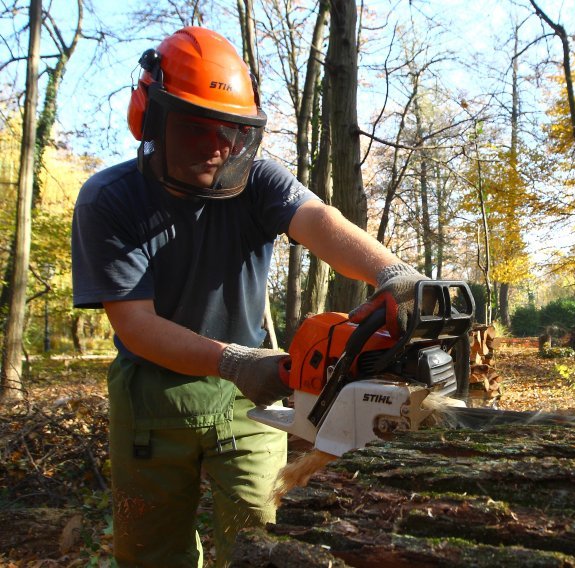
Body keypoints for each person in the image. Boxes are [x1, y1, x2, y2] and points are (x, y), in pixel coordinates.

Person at [71, 26, 426, 567]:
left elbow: (319, 221)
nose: (220, 144)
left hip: (253, 394)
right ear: (152, 117)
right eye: (199, 128)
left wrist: (392, 271)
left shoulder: (257, 180)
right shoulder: (110, 199)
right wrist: (230, 360)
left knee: (263, 541)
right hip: (151, 396)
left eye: (232, 130)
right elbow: (136, 324)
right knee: (149, 553)